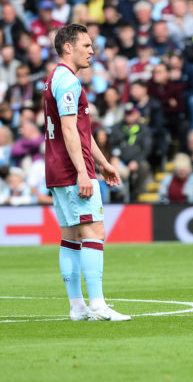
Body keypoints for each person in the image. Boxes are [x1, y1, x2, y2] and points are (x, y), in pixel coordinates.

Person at [44, 24, 129, 322]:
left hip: (57, 169)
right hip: (71, 169)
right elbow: (69, 129)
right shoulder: (69, 82)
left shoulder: (55, 78)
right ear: (68, 47)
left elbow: (80, 129)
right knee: (94, 233)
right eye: (87, 45)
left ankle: (77, 306)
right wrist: (83, 171)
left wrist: (103, 162)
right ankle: (98, 304)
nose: (92, 51)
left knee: (70, 236)